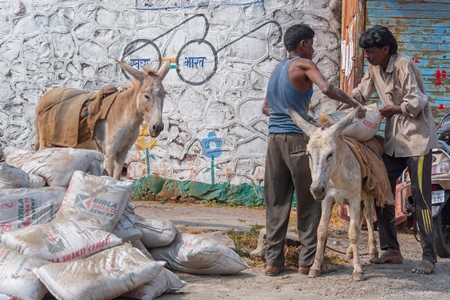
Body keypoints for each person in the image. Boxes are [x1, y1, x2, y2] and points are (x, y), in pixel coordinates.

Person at [262, 24, 365, 276]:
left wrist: (292, 112)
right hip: (298, 140)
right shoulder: (303, 65)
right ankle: (307, 262)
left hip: (274, 140)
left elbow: (266, 108)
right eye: (312, 43)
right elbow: (328, 88)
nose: (314, 48)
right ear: (303, 45)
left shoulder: (277, 70)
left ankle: (273, 262)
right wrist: (355, 105)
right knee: (310, 198)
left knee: (276, 201)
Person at [350, 25, 438, 274]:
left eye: (370, 51)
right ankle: (392, 250)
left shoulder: (403, 64)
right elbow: (361, 93)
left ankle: (429, 258)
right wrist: (342, 100)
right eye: (365, 52)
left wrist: (394, 108)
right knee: (381, 190)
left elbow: (417, 101)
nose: (367, 56)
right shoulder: (373, 67)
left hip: (417, 141)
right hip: (394, 142)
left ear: (385, 48)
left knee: (421, 199)